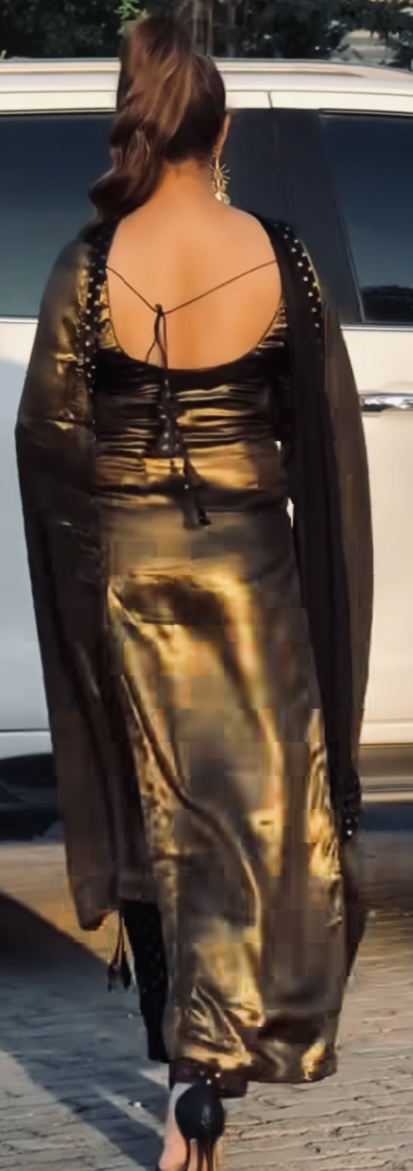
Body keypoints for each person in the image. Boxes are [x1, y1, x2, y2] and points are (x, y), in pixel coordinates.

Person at [15, 14, 373, 1171]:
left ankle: (187, 1077)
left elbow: (47, 440)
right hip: (250, 575)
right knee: (249, 825)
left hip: (129, 579)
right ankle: (204, 1085)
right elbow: (322, 443)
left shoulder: (87, 264)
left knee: (162, 823)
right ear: (217, 134)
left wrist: (92, 570)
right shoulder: (282, 255)